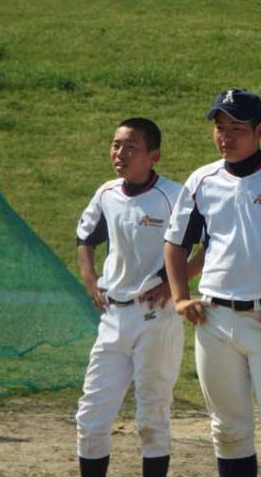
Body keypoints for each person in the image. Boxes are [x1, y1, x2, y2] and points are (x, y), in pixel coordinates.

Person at [164, 88, 261, 477]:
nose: (226, 137)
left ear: (260, 130)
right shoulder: (202, 180)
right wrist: (180, 297)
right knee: (228, 432)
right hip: (214, 321)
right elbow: (176, 243)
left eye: (237, 128)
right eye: (220, 127)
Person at [76, 118, 196, 477]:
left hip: (155, 317)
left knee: (152, 416)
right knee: (91, 415)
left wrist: (172, 283)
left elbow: (207, 244)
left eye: (131, 147)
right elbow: (85, 237)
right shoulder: (106, 193)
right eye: (116, 145)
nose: (120, 154)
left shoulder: (174, 196)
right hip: (113, 317)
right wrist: (90, 279)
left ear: (153, 155)